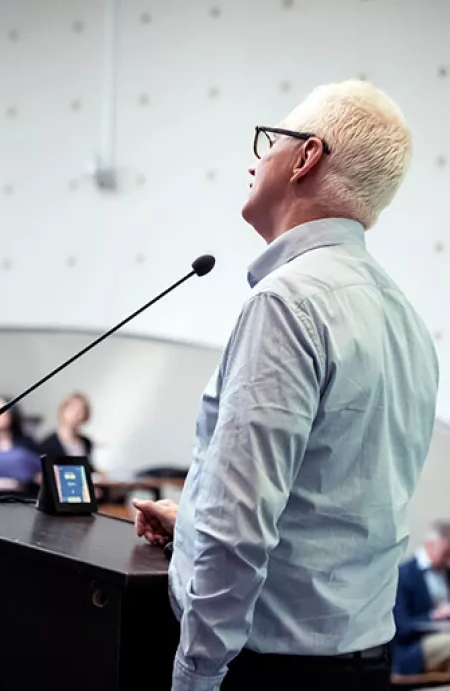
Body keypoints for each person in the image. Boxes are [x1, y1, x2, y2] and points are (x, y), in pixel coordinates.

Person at [133, 79, 438, 691]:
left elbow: (239, 526)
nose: (257, 156)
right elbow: (334, 503)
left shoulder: (288, 303)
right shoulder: (406, 316)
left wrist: (195, 675)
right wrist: (190, 520)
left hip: (269, 670)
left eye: (271, 139)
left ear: (305, 158)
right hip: (361, 659)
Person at [393, 523, 450, 675]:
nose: (448, 560)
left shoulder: (447, 573)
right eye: (446, 553)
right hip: (414, 646)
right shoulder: (405, 575)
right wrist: (434, 616)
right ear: (430, 545)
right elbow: (401, 626)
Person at [0, 396, 40, 498]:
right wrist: (11, 483)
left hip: (24, 499)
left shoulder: (27, 443)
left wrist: (13, 484)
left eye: (0, 411)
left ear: (12, 414)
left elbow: (39, 476)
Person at [39, 392, 95, 472]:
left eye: (81, 411)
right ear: (63, 410)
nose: (77, 415)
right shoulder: (48, 444)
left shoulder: (86, 443)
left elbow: (89, 469)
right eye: (73, 409)